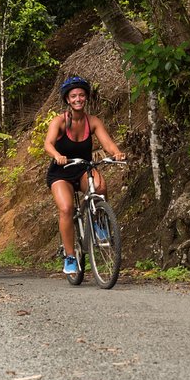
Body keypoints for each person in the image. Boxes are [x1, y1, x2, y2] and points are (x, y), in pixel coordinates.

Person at [44, 76, 125, 275]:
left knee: (101, 186)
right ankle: (70, 256)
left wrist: (116, 153)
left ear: (86, 97)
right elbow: (48, 144)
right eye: (73, 96)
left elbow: (107, 143)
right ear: (67, 100)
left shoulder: (93, 121)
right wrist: (57, 155)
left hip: (83, 168)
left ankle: (99, 221)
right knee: (66, 208)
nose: (78, 99)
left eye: (81, 95)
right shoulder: (60, 121)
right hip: (61, 172)